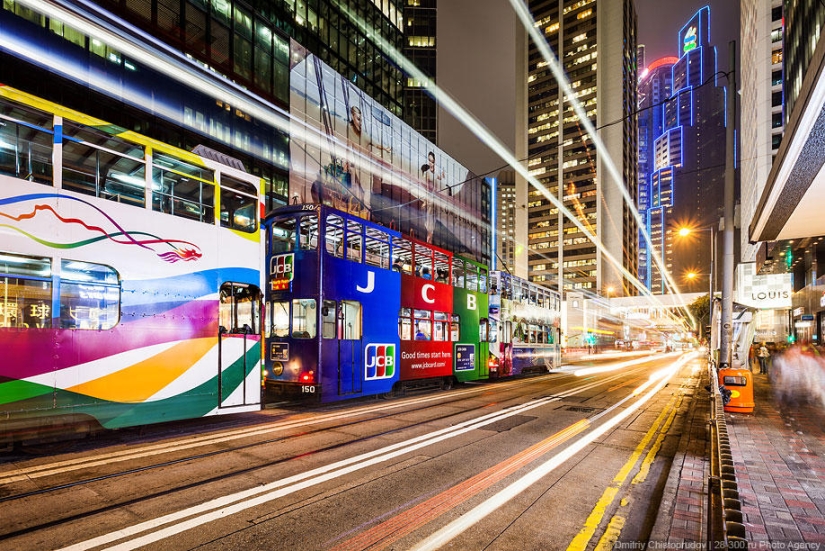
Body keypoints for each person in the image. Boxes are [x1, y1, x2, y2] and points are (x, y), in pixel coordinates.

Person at [345, 104, 390, 214]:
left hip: (365, 166)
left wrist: (385, 148)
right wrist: (346, 161)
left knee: (366, 190)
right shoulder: (350, 130)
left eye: (361, 120)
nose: (360, 122)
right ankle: (361, 210)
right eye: (358, 119)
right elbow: (348, 146)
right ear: (352, 116)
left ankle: (366, 211)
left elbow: (375, 143)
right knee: (358, 190)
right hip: (357, 165)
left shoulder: (363, 134)